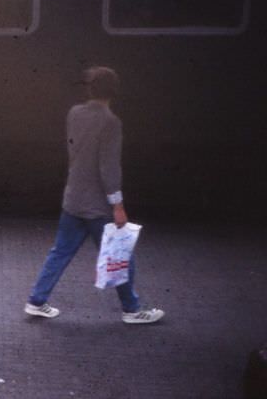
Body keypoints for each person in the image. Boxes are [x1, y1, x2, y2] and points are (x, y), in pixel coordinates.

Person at [24, 66, 164, 324]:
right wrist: (118, 205)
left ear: (89, 88)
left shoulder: (74, 113)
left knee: (60, 252)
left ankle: (36, 300)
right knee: (119, 255)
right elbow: (108, 167)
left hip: (73, 198)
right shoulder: (111, 122)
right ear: (114, 92)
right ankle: (132, 310)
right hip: (98, 205)